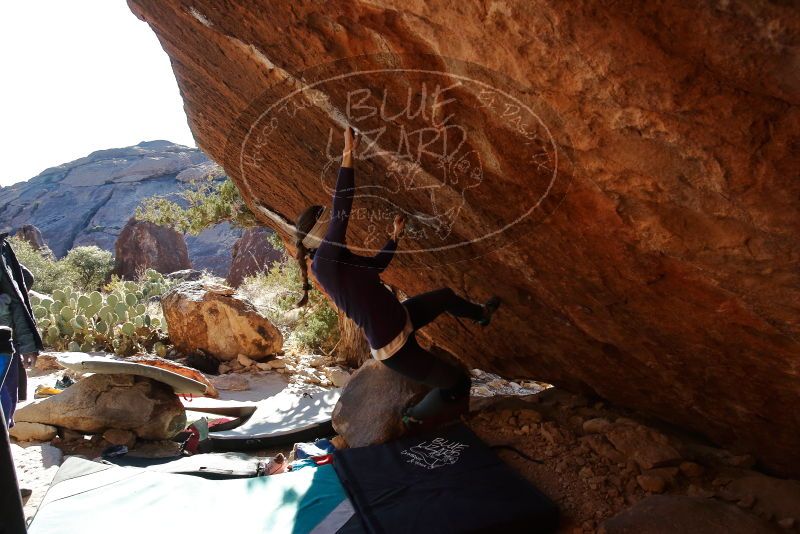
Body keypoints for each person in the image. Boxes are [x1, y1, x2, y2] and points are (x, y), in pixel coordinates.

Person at [294, 127, 500, 428]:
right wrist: (348, 155)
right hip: (394, 347)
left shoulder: (338, 258)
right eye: (324, 219)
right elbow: (342, 208)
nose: (330, 220)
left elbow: (376, 267)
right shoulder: (324, 263)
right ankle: (412, 418)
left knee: (443, 296)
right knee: (456, 383)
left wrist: (394, 237)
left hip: (400, 317)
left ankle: (481, 315)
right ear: (317, 234)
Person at [0, 232, 42, 428]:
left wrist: (27, 346)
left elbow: (17, 295)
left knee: (4, 401)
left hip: (3, 340)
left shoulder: (2, 249)